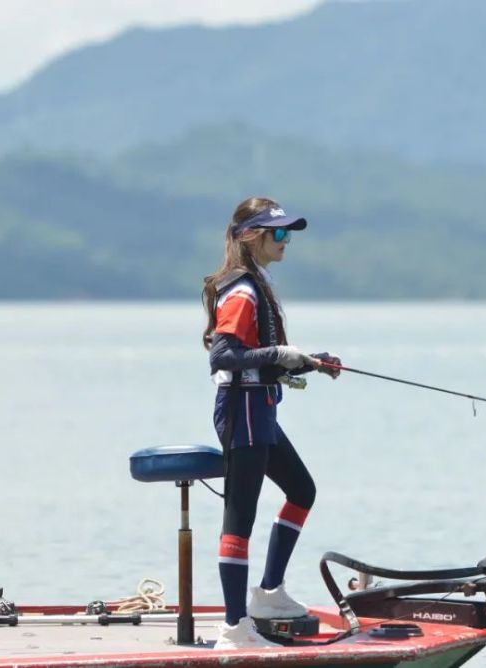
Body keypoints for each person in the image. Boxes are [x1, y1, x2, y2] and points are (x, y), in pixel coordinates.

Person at [201, 196, 340, 650]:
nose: (286, 241)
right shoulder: (241, 291)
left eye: (288, 233)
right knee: (239, 518)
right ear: (252, 236)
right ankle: (234, 629)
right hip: (242, 409)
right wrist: (280, 355)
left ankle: (268, 594)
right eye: (278, 233)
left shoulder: (256, 284)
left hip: (258, 407)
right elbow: (224, 357)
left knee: (302, 491)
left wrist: (311, 363)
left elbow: (258, 358)